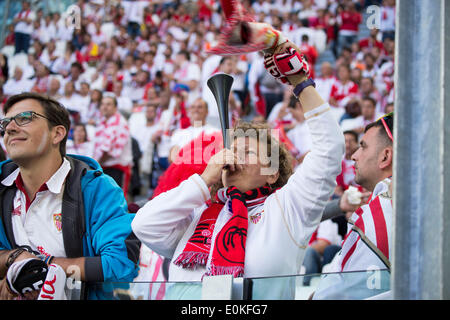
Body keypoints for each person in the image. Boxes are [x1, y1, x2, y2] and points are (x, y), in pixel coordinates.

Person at [131, 40, 345, 299]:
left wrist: (300, 82)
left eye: (248, 152)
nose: (234, 157)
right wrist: (203, 180)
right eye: (233, 150)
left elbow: (329, 151)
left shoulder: (287, 207)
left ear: (273, 172)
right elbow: (144, 224)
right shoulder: (199, 213)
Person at [0, 92, 139, 300]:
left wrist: (41, 268)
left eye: (25, 118)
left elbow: (121, 264)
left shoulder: (98, 189)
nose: (10, 128)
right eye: (6, 123)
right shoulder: (2, 186)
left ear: (57, 134)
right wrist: (16, 257)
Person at [313, 112, 394, 300]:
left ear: (385, 156)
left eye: (363, 147)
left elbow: (340, 293)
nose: (354, 156)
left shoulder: (380, 213)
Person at [93, 94, 133, 196]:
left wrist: (96, 165)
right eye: (102, 104)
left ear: (115, 108)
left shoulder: (120, 123)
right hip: (104, 167)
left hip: (116, 169)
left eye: (108, 104)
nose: (105, 107)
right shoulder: (102, 122)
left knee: (117, 200)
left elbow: (109, 151)